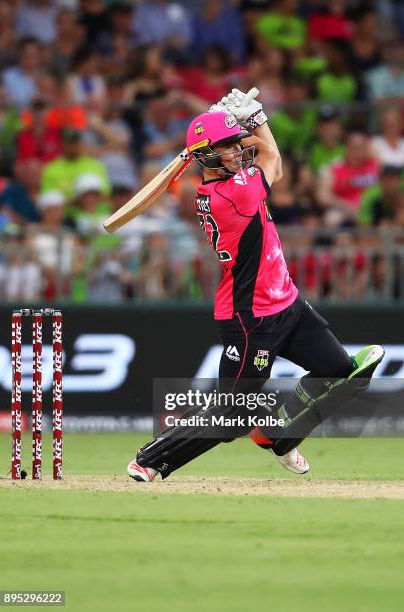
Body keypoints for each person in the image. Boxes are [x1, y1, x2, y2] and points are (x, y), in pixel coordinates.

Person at [127, 89, 384, 482]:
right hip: (251, 319)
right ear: (208, 157)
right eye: (228, 148)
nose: (237, 153)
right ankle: (151, 458)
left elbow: (263, 160)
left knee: (340, 373)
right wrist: (254, 118)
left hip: (288, 304)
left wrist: (230, 126)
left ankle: (279, 436)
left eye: (235, 146)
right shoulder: (233, 194)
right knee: (231, 413)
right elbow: (273, 160)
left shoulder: (229, 182)